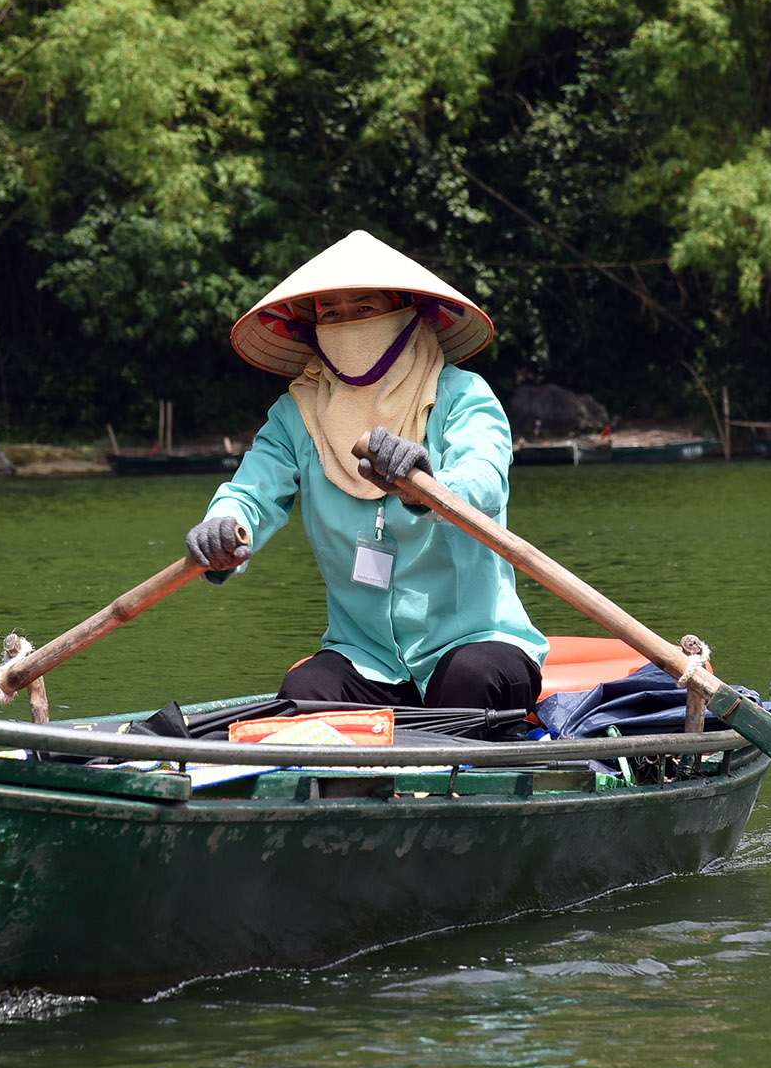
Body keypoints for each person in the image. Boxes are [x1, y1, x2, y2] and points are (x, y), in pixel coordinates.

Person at [184, 229, 547, 718]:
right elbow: (250, 495)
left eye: (365, 308)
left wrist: (426, 484)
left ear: (404, 312)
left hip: (477, 642)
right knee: (304, 689)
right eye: (330, 313)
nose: (346, 323)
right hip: (367, 655)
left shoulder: (463, 395)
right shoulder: (296, 415)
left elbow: (483, 482)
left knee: (471, 679)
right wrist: (224, 529)